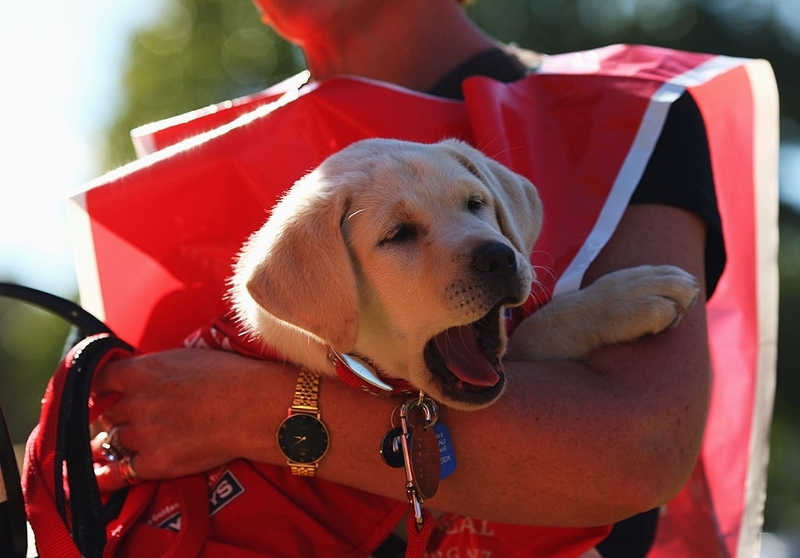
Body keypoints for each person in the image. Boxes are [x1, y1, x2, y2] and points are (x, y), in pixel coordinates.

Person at [89, 0, 722, 555]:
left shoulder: (622, 115)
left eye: (478, 209)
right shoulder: (193, 167)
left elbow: (632, 451)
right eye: (399, 234)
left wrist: (247, 410)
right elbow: (129, 436)